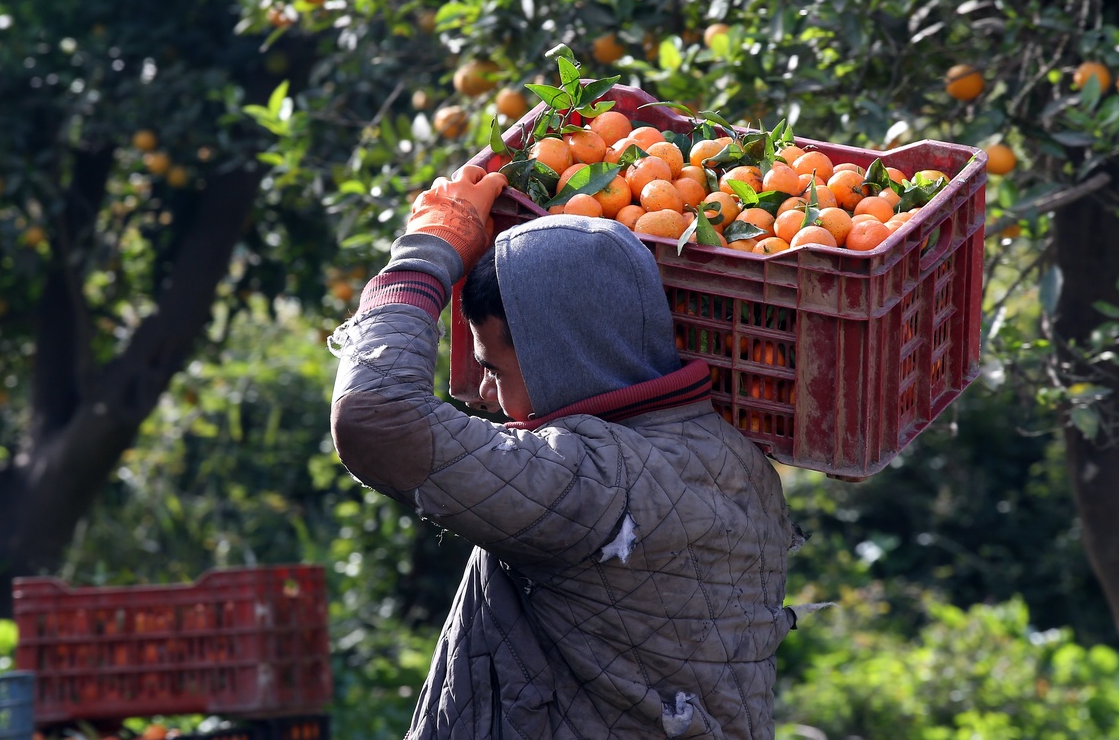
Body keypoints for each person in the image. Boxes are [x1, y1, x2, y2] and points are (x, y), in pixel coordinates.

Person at [329, 164, 798, 739]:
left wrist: (422, 257)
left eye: (494, 369)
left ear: (556, 358)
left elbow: (376, 418)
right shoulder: (738, 459)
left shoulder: (590, 481)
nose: (488, 398)